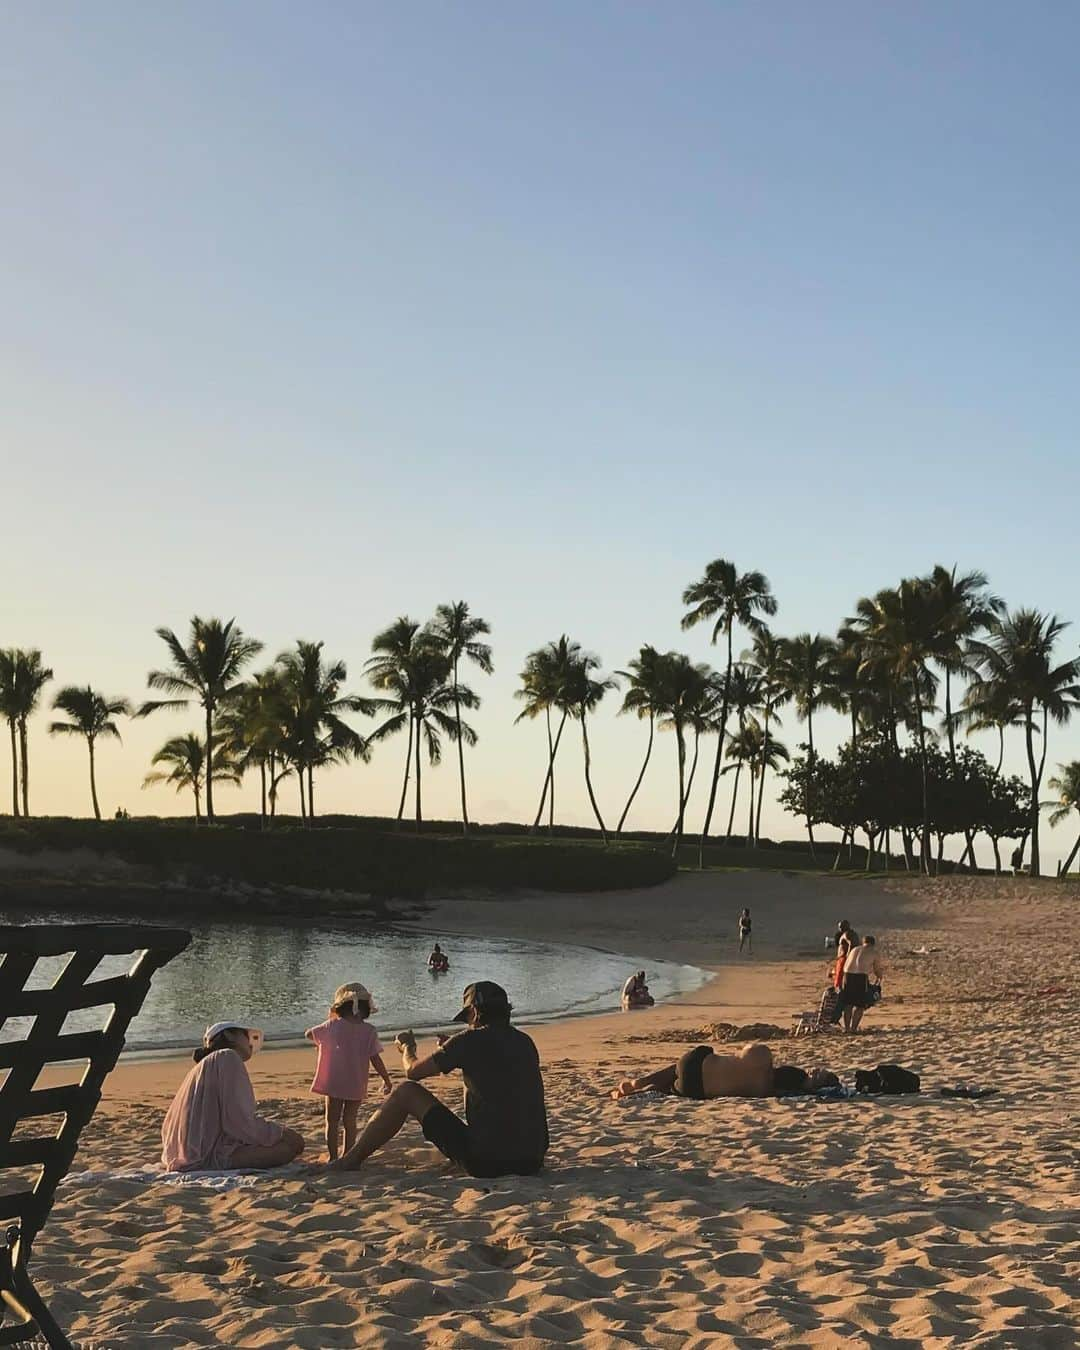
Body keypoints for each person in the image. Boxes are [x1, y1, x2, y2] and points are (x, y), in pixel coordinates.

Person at [327, 981, 548, 1178]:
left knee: (406, 1091)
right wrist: (454, 1051)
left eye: (468, 1019)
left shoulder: (469, 1040)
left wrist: (407, 1048)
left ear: (474, 1011)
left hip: (488, 1161)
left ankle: (350, 1159)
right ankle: (466, 1155)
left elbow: (413, 1071)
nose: (468, 1025)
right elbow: (497, 1077)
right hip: (532, 1160)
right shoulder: (524, 1041)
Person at [161, 1020, 305, 1171]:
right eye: (245, 1035)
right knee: (289, 1147)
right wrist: (280, 1133)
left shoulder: (201, 1066)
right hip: (206, 1156)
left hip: (185, 1153)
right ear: (229, 1035)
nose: (250, 1042)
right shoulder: (228, 1057)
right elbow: (238, 1121)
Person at [305, 982, 392, 1161]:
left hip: (334, 1081)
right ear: (366, 1008)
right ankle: (348, 1155)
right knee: (350, 1121)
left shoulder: (333, 1026)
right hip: (356, 1082)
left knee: (332, 1120)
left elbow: (309, 1034)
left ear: (340, 1007)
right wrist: (386, 1079)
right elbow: (375, 1058)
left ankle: (333, 1157)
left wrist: (329, 1026)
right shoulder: (369, 1031)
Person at [838, 935, 884, 1033]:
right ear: (872, 944)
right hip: (860, 977)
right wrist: (880, 977)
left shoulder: (855, 949)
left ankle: (847, 1028)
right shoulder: (874, 952)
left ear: (863, 943)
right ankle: (854, 1029)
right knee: (860, 1005)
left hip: (847, 975)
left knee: (848, 1003)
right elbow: (877, 970)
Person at [833, 920, 858, 991]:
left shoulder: (847, 934)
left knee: (840, 976)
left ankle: (840, 992)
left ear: (847, 926)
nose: (840, 928)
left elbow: (851, 943)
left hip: (844, 958)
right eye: (839, 927)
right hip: (844, 958)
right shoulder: (850, 933)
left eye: (841, 926)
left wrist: (848, 956)